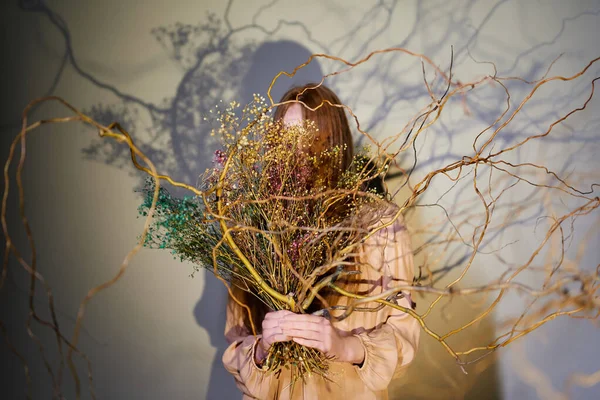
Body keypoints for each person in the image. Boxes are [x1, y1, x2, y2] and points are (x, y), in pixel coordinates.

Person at [222, 84, 420, 400]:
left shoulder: (379, 224)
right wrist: (263, 347)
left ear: (334, 142)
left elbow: (404, 336)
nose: (297, 152)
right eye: (285, 138)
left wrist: (343, 346)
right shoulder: (255, 229)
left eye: (310, 138)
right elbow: (237, 343)